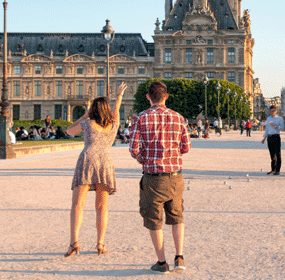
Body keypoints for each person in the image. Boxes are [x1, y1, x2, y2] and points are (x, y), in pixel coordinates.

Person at [129, 81, 191, 273]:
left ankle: (162, 262)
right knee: (177, 217)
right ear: (166, 97)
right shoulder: (179, 117)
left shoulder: (141, 118)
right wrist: (171, 155)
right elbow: (186, 147)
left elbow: (133, 149)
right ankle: (179, 258)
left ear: (148, 97)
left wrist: (144, 159)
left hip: (153, 177)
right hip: (175, 176)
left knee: (154, 220)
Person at [63, 82, 127, 258]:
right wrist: (119, 96)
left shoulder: (87, 124)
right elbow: (116, 109)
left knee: (78, 205)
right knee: (102, 206)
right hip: (105, 161)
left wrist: (83, 116)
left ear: (93, 110)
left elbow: (68, 131)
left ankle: (74, 243)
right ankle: (100, 243)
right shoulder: (113, 125)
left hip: (87, 160)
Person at [261, 105, 284, 175]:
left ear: (276, 111)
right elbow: (267, 129)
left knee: (278, 154)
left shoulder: (279, 118)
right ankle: (273, 169)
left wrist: (275, 126)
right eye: (271, 111)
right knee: (272, 154)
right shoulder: (268, 118)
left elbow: (282, 128)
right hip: (269, 137)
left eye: (273, 111)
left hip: (276, 136)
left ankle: (278, 170)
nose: (272, 112)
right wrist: (264, 138)